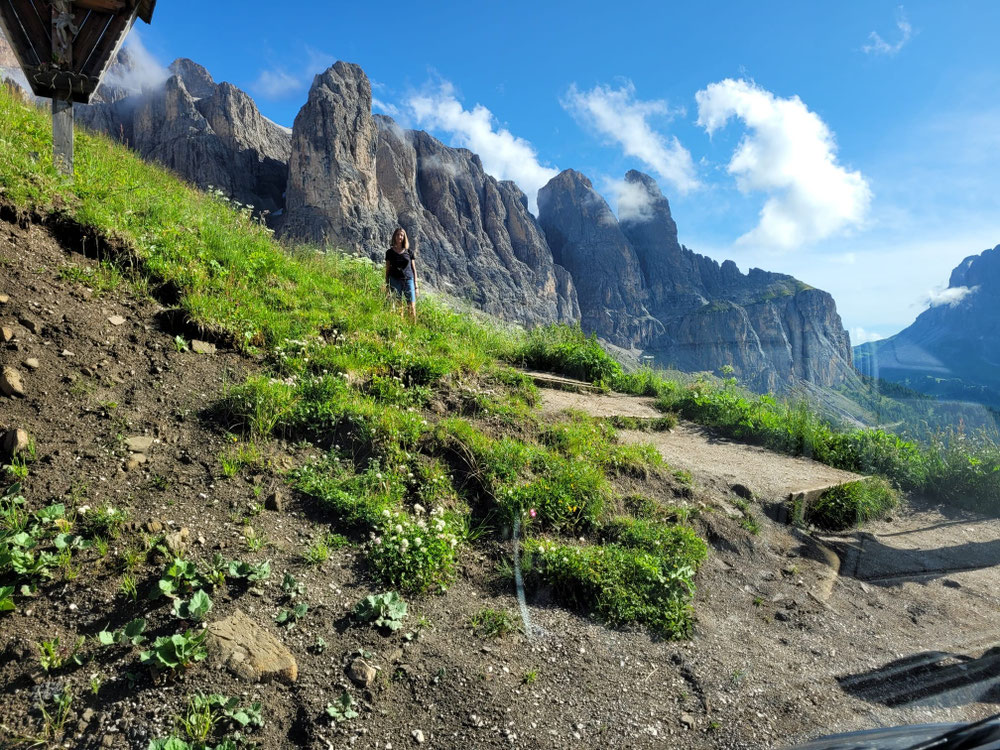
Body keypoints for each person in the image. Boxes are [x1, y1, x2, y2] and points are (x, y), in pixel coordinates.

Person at [385, 227, 418, 322]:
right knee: (399, 305)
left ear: (404, 237)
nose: (400, 237)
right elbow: (387, 269)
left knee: (411, 305)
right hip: (395, 280)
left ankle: (413, 327)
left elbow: (414, 269)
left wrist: (416, 285)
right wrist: (387, 284)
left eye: (402, 235)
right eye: (398, 235)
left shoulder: (409, 252)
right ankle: (402, 326)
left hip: (408, 279)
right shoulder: (389, 252)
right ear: (394, 236)